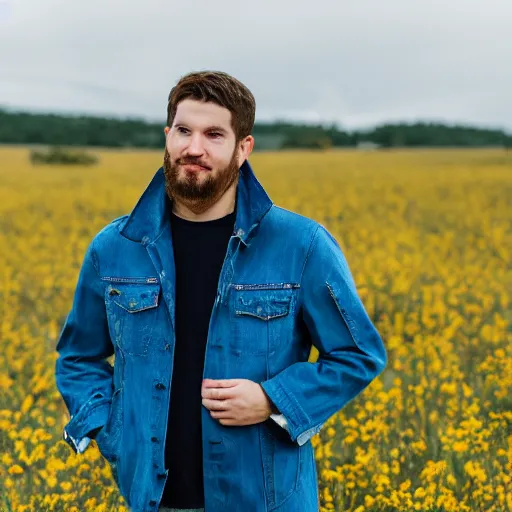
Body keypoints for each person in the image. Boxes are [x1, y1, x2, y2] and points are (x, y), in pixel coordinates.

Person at [55, 70, 387, 512]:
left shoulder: (302, 246)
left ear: (243, 148)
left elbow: (358, 354)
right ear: (167, 136)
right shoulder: (114, 249)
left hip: (265, 500)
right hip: (153, 499)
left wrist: (272, 399)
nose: (195, 148)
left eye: (214, 134)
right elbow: (78, 358)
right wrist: (114, 431)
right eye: (184, 131)